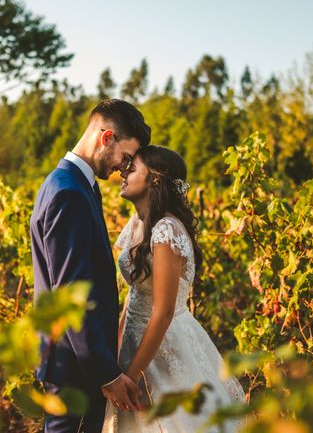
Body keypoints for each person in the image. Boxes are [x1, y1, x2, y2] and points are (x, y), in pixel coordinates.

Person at [102, 145, 246, 432]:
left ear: (156, 178)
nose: (123, 172)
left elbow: (164, 312)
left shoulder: (166, 229)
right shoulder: (137, 225)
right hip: (134, 338)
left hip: (163, 343)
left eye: (132, 168)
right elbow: (133, 296)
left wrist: (131, 376)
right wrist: (116, 356)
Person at [30, 99, 151, 432]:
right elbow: (72, 297)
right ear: (106, 137)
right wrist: (106, 374)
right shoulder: (69, 193)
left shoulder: (73, 184)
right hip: (77, 367)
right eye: (125, 157)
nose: (124, 168)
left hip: (73, 361)